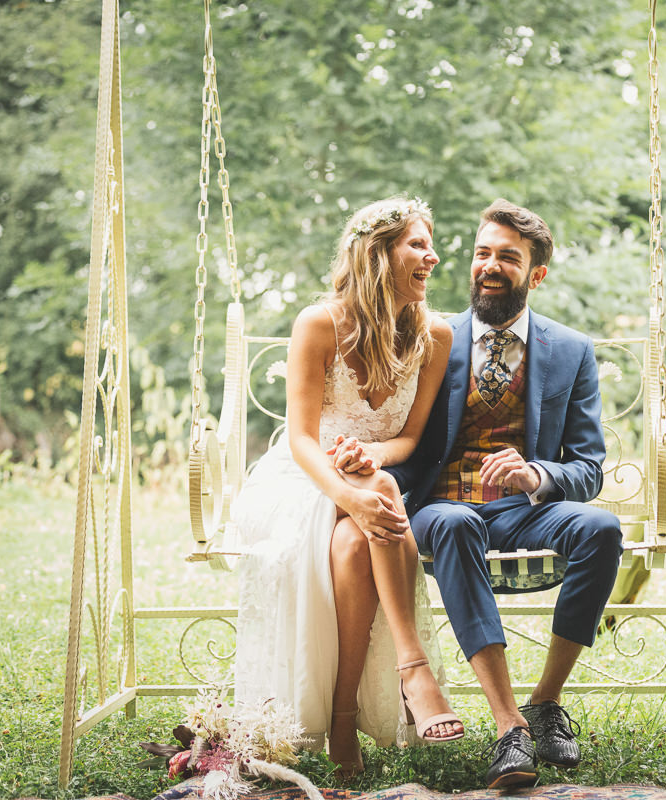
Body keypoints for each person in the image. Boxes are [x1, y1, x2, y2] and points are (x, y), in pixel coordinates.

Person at [385, 199, 624, 789]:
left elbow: (589, 466)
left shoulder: (570, 350)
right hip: (442, 508)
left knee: (601, 529)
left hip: (524, 513)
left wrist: (538, 475)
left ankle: (545, 704)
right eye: (482, 253)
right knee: (454, 524)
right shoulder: (430, 336)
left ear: (536, 274)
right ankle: (507, 725)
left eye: (507, 258)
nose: (489, 267)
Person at [231, 196, 462, 778]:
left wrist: (369, 457)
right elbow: (302, 439)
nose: (432, 257)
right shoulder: (318, 323)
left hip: (370, 481)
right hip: (301, 480)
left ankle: (343, 715)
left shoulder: (436, 336)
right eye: (418, 244)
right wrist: (348, 492)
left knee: (360, 530)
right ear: (376, 253)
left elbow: (407, 439)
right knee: (373, 491)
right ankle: (412, 671)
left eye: (430, 245)